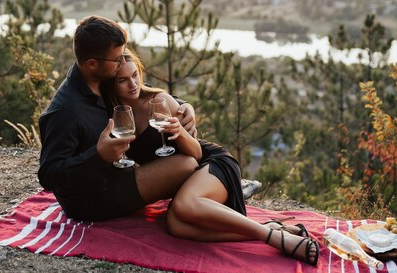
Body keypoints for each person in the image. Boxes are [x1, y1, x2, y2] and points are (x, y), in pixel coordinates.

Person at [102, 49, 319, 266]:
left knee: (183, 207)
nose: (133, 84)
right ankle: (270, 227)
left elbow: (196, 153)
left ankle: (276, 239)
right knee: (177, 227)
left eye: (135, 75)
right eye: (123, 80)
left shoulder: (159, 101)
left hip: (211, 163)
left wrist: (179, 131)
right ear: (112, 83)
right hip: (186, 177)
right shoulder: (114, 115)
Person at [37, 16, 199, 222]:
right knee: (185, 165)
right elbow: (49, 176)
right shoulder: (65, 111)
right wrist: (98, 156)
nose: (122, 61)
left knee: (188, 159)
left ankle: (213, 192)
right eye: (117, 58)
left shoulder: (99, 79)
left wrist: (183, 105)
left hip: (115, 175)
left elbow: (138, 94)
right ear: (92, 63)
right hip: (91, 198)